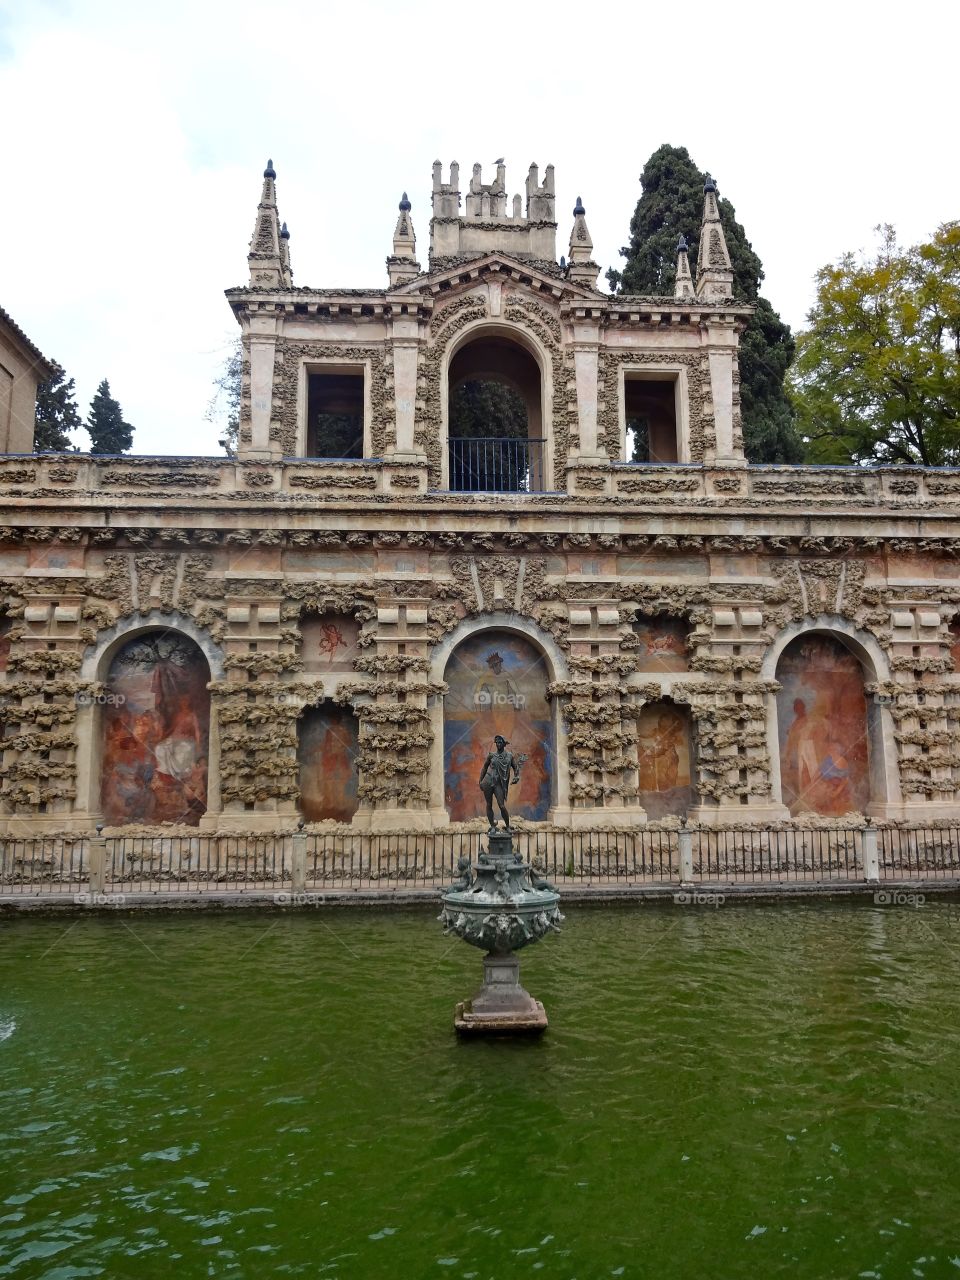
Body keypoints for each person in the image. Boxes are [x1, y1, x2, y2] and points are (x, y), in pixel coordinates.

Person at [478, 735, 521, 831]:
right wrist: (480, 781)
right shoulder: (491, 755)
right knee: (489, 804)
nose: (498, 744)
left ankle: (508, 826)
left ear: (504, 744)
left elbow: (516, 767)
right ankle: (493, 826)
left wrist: (516, 776)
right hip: (488, 781)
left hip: (499, 784)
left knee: (501, 805)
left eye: (500, 742)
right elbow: (484, 767)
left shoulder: (509, 755)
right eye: (497, 742)